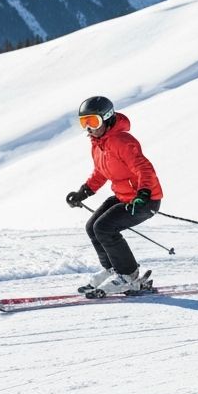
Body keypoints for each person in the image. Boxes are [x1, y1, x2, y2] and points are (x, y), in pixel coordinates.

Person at [65, 96, 164, 293]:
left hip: (144, 200)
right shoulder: (98, 143)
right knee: (92, 227)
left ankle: (129, 275)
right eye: (84, 123)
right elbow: (102, 172)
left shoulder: (122, 141)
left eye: (92, 121)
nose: (88, 128)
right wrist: (83, 192)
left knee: (104, 228)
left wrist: (143, 193)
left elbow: (144, 168)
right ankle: (113, 268)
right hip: (122, 197)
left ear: (107, 118)